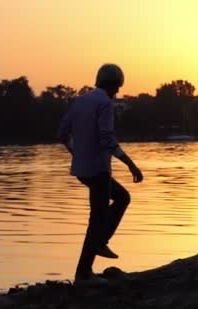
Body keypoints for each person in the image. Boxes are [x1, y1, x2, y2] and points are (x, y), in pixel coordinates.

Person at [58, 63, 143, 284]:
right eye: (117, 88)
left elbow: (62, 133)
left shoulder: (80, 101)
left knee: (121, 198)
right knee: (97, 219)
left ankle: (100, 243)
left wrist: (76, 153)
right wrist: (131, 165)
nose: (117, 93)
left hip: (82, 170)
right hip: (98, 170)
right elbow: (107, 140)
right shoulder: (104, 103)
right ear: (113, 85)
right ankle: (84, 273)